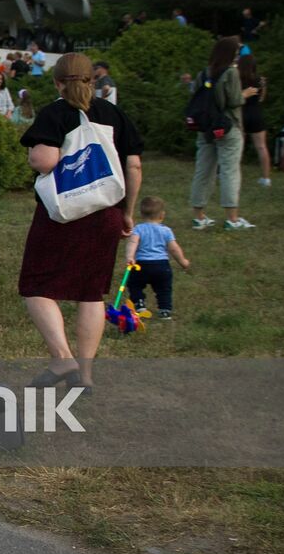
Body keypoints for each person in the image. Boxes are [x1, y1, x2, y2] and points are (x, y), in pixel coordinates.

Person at [20, 52, 143, 392]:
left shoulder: (54, 115)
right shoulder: (115, 114)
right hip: (105, 212)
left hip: (63, 214)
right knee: (91, 292)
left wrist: (33, 155)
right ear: (93, 80)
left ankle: (62, 358)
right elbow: (133, 167)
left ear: (58, 82)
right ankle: (85, 375)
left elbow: (45, 161)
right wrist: (127, 212)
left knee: (36, 285)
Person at [191, 37, 257, 231]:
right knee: (229, 170)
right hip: (228, 126)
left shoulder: (204, 73)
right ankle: (232, 218)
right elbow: (234, 100)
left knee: (203, 169)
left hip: (205, 127)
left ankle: (199, 216)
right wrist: (247, 93)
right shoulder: (231, 73)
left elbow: (195, 96)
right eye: (236, 52)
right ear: (230, 54)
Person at [124, 197, 191, 320]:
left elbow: (133, 242)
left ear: (141, 214)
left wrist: (130, 256)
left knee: (135, 285)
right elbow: (174, 248)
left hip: (141, 266)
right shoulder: (166, 231)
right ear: (162, 215)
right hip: (162, 266)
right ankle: (165, 310)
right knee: (164, 289)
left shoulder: (138, 229)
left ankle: (139, 304)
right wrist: (183, 262)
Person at [238, 54, 271, 188]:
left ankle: (235, 175)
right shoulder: (260, 80)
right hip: (256, 114)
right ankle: (266, 178)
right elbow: (262, 98)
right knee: (261, 147)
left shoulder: (237, 80)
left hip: (241, 114)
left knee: (238, 147)